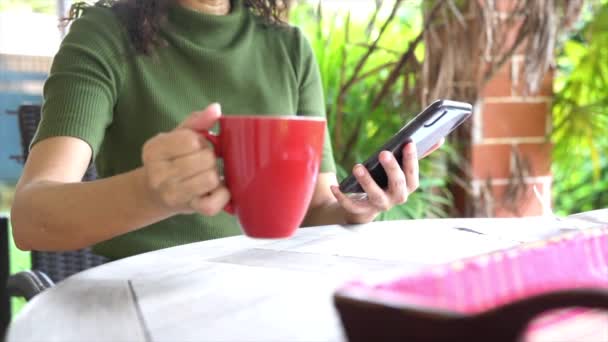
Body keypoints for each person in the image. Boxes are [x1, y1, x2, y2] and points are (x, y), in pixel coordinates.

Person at [10, 0, 442, 260]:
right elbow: (31, 220)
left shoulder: (289, 49)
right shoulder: (103, 36)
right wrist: (153, 193)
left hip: (258, 290)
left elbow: (312, 210)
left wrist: (358, 205)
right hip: (141, 295)